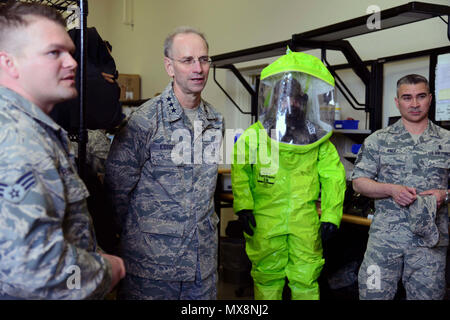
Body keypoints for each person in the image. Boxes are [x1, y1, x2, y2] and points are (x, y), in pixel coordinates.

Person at [0, 2, 125, 299]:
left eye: (70, 52)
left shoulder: (34, 130)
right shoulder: (17, 139)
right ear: (9, 63)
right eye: (54, 53)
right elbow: (33, 270)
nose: (73, 63)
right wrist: (108, 270)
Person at [104, 26, 224, 300]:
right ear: (169, 67)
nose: (198, 68)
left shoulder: (215, 121)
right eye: (187, 60)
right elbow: (116, 190)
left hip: (201, 267)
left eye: (204, 59)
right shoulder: (145, 120)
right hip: (152, 267)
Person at [231, 50, 346, 300]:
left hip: (304, 221)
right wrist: (243, 207)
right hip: (265, 219)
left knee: (306, 276)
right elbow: (241, 172)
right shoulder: (254, 136)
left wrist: (331, 215)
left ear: (304, 100)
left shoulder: (317, 139)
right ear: (273, 100)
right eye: (285, 98)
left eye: (295, 99)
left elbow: (333, 177)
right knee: (266, 276)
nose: (290, 104)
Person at [352, 74, 450, 300]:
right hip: (384, 242)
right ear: (397, 102)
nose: (414, 104)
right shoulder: (378, 140)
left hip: (429, 246)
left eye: (421, 96)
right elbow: (359, 181)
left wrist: (444, 195)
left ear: (430, 99)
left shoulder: (446, 140)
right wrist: (391, 189)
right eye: (407, 98)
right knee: (372, 295)